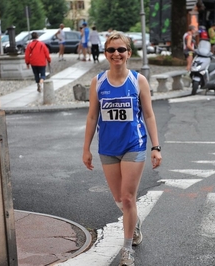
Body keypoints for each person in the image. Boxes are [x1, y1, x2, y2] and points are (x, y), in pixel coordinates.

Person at [82, 32, 162, 266]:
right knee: (119, 198)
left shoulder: (138, 81)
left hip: (133, 145)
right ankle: (134, 222)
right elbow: (91, 116)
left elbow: (148, 115)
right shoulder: (98, 82)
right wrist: (86, 148)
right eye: (111, 50)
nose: (116, 54)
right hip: (107, 147)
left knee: (128, 199)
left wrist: (155, 147)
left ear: (128, 53)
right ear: (105, 53)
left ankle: (127, 250)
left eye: (121, 50)